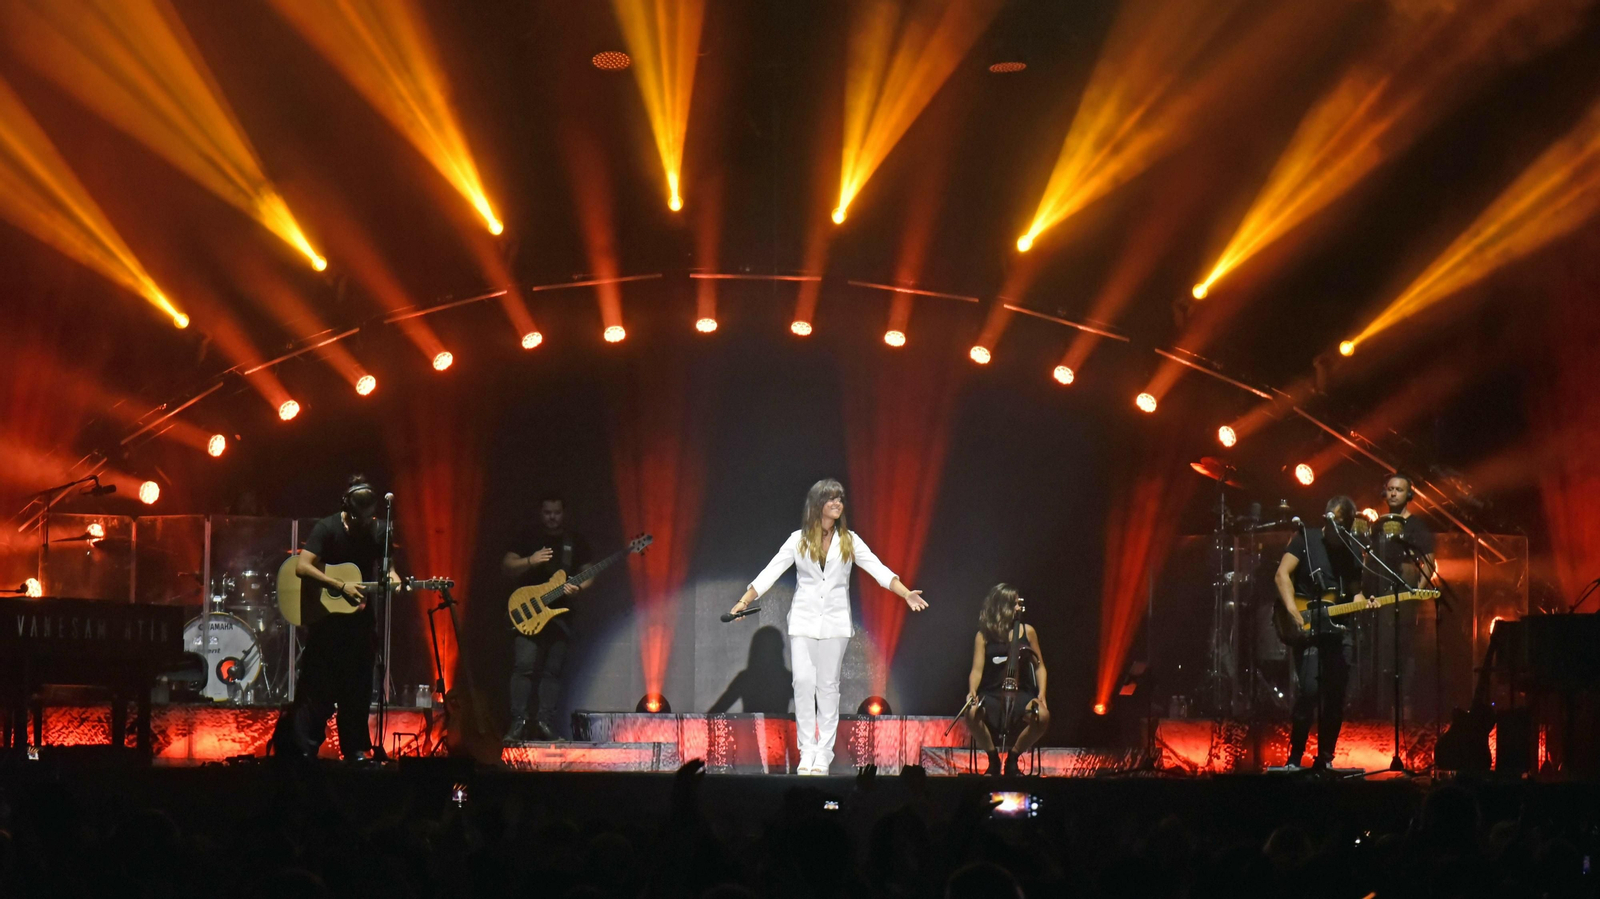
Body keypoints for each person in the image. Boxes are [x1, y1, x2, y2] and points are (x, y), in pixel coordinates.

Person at [729, 478, 927, 775]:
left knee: (828, 687)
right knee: (803, 684)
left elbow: (878, 570)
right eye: (831, 498)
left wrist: (906, 592)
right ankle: (807, 751)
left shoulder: (850, 540)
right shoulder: (797, 539)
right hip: (804, 621)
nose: (837, 503)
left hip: (835, 623)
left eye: (840, 499)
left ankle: (824, 753)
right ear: (817, 503)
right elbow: (770, 572)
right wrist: (744, 600)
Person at [274, 475, 396, 761]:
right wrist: (339, 585)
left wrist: (398, 582)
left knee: (358, 687)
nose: (364, 524)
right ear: (347, 511)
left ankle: (355, 749)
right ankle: (304, 748)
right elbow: (302, 567)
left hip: (360, 622)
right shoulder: (327, 528)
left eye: (369, 518)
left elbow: (388, 571)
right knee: (317, 688)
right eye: (358, 519)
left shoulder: (379, 531)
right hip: (327, 623)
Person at [1273, 495, 1373, 771]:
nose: (1335, 529)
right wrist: (1293, 611)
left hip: (1339, 629)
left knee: (1336, 694)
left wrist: (1361, 598)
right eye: (1333, 522)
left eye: (1342, 525)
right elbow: (1282, 575)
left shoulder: (1353, 548)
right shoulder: (1305, 538)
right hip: (1308, 626)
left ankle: (1325, 758)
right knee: (1310, 690)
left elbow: (1355, 590)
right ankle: (1294, 758)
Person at [502, 492, 591, 742]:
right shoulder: (528, 537)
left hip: (560, 614)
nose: (552, 517)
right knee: (524, 667)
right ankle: (518, 722)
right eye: (547, 512)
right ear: (540, 513)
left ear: (565, 513)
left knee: (553, 671)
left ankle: (544, 723)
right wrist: (530, 560)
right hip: (528, 612)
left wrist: (580, 587)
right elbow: (507, 566)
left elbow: (588, 572)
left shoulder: (574, 542)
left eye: (557, 512)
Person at [1369, 473, 1437, 719]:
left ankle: (1404, 703)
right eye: (1390, 489)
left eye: (1399, 489)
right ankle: (1382, 705)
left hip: (1406, 589)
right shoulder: (1377, 526)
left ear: (1409, 495)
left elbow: (1428, 561)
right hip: (1382, 590)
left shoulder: (1417, 526)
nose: (1394, 493)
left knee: (1404, 647)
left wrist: (1417, 590)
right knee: (1383, 647)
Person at [963, 583, 1049, 776]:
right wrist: (973, 691)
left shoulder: (1028, 632)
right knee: (971, 714)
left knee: (1042, 717)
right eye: (1014, 603)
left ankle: (1013, 756)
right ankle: (993, 758)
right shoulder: (984, 636)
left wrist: (1042, 693)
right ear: (1002, 606)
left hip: (1021, 693)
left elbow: (1039, 666)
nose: (1019, 608)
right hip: (992, 693)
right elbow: (977, 670)